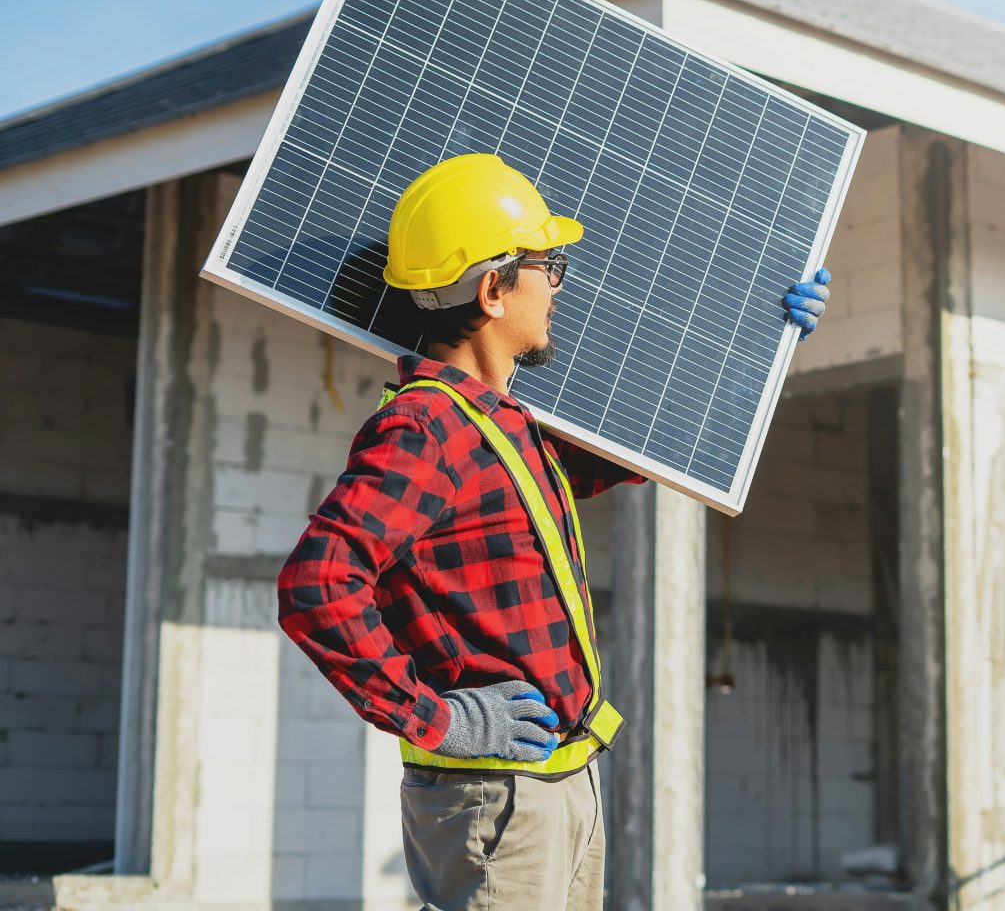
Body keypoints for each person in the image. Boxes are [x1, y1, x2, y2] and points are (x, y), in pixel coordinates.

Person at [277, 153, 832, 910]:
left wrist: (765, 350)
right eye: (550, 265)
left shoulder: (497, 425)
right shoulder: (424, 426)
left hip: (554, 785)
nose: (561, 285)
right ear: (493, 288)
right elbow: (317, 585)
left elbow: (632, 454)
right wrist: (438, 717)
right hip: (498, 805)